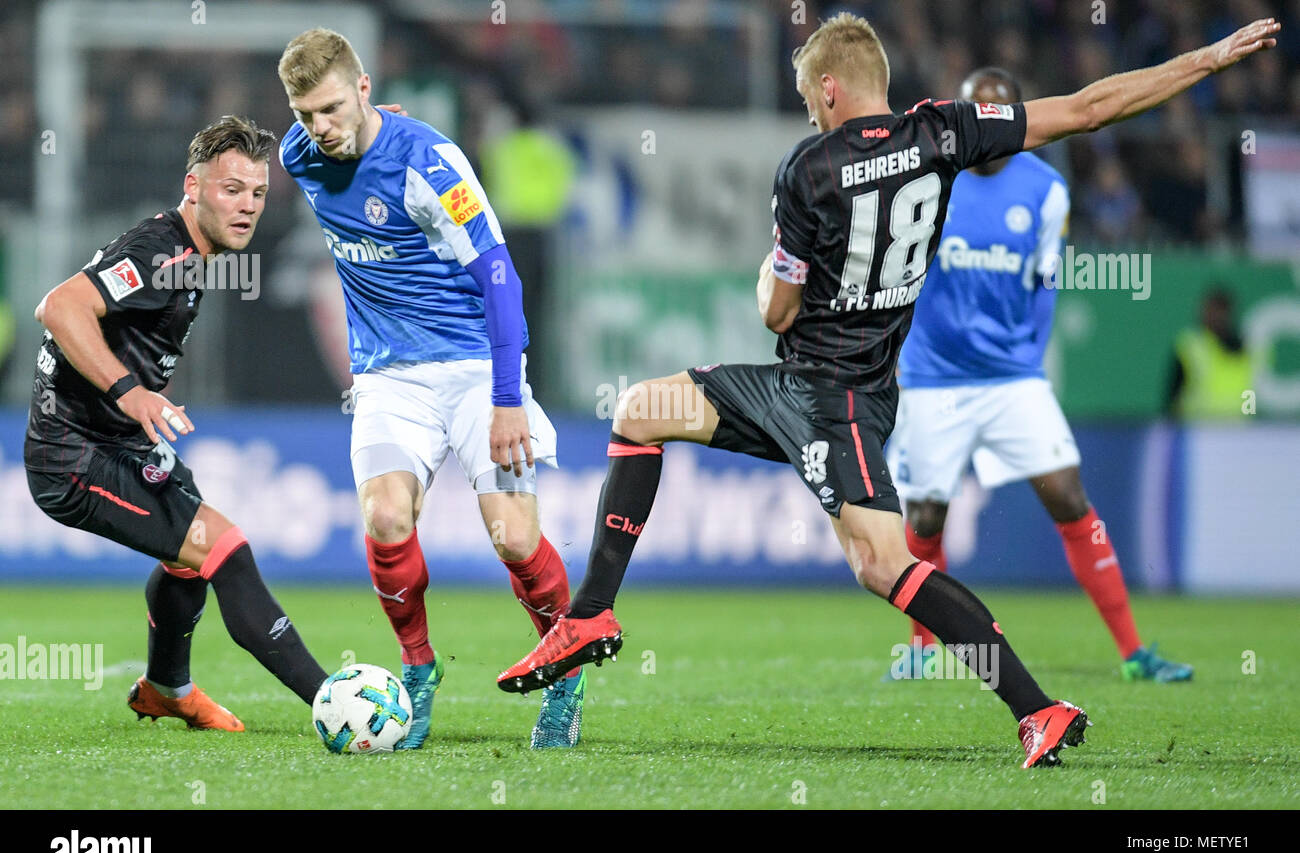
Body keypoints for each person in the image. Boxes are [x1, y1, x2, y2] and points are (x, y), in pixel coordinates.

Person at [498, 13, 1280, 768]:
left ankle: (1037, 707)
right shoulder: (942, 133)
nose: (809, 108)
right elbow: (1087, 109)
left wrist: (771, 279)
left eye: (809, 95)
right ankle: (591, 614)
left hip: (828, 398)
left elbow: (776, 308)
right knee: (642, 409)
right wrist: (1204, 62)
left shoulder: (808, 167)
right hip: (822, 388)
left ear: (832, 88)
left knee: (883, 565)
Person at [276, 29, 581, 750]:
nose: (320, 128)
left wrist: (509, 397)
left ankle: (566, 677)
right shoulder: (300, 157)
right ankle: (417, 671)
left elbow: (500, 277)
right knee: (384, 520)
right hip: (388, 375)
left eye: (330, 108)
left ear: (363, 89)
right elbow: (312, 145)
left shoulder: (433, 164)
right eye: (305, 114)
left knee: (513, 537)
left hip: (478, 367)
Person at [883, 67, 1192, 684]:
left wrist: (1028, 351)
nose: (986, 126)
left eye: (998, 114)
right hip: (934, 380)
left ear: (1015, 118)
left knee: (1073, 502)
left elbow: (1046, 282)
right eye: (975, 114)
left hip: (1012, 380)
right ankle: (920, 650)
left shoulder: (1047, 191)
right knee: (923, 521)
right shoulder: (928, 182)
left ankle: (1133, 653)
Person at [24, 116, 330, 731]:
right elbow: (57, 307)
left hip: (116, 440)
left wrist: (363, 132)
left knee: (187, 560)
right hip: (74, 454)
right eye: (231, 190)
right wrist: (129, 391)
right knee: (224, 547)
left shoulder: (195, 253)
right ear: (193, 187)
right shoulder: (162, 251)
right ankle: (335, 705)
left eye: (258, 194)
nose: (247, 206)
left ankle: (167, 687)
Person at [1166, 286, 1254, 420]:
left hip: (1238, 431)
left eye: (1219, 311)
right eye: (1210, 310)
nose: (1214, 316)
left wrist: (1251, 421)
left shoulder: (1247, 350)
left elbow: (1250, 392)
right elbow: (1173, 395)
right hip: (1197, 430)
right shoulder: (1190, 346)